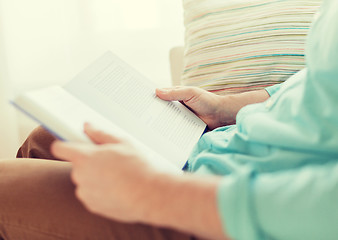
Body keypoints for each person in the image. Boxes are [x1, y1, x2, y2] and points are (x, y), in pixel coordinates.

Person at [1, 0, 338, 239]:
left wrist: (153, 192)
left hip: (240, 209)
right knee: (45, 139)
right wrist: (223, 108)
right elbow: (317, 85)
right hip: (222, 153)